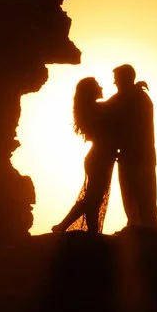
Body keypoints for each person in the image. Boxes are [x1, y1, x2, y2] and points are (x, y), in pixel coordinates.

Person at [47, 76, 116, 235]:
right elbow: (116, 104)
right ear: (91, 91)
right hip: (99, 158)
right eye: (98, 85)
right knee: (93, 199)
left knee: (94, 199)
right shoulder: (97, 109)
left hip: (97, 157)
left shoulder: (92, 109)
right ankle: (64, 226)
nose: (102, 87)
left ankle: (91, 231)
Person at [107, 64, 157, 232]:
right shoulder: (131, 96)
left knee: (142, 196)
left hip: (138, 155)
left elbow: (106, 110)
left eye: (117, 79)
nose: (114, 82)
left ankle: (145, 229)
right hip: (133, 155)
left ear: (125, 78)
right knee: (131, 196)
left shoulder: (135, 98)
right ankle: (138, 226)